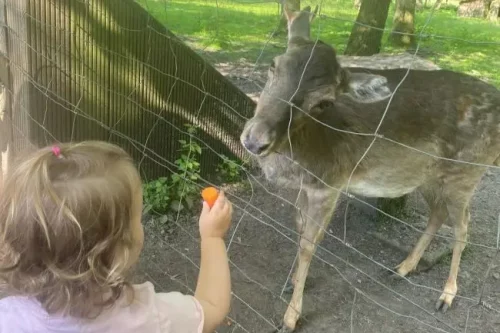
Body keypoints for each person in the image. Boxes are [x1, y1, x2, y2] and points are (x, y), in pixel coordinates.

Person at [0, 141, 233, 333]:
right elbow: (211, 309)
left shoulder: (8, 317)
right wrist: (212, 238)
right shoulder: (148, 319)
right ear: (116, 251)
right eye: (136, 219)